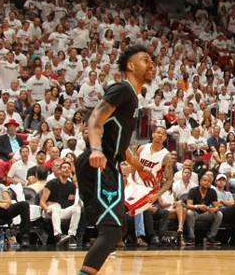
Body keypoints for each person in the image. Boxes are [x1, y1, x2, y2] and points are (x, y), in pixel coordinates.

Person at [76, 45, 156, 275]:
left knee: (117, 228)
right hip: (98, 163)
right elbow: (94, 118)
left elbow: (122, 146)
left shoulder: (132, 98)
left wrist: (140, 168)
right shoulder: (122, 89)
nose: (151, 64)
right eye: (145, 60)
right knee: (111, 231)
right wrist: (95, 149)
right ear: (130, 66)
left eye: (152, 61)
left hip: (109, 164)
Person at [0, 164, 30, 248]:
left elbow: (8, 200)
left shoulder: (0, 186)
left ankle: (24, 237)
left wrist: (1, 202)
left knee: (24, 204)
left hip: (3, 208)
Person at [40, 160, 81, 247]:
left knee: (77, 208)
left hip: (62, 211)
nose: (66, 169)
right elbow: (42, 202)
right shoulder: (51, 183)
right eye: (64, 167)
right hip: (49, 211)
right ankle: (58, 235)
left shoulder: (71, 186)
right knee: (56, 206)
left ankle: (71, 235)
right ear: (59, 170)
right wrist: (47, 209)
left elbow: (76, 198)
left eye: (68, 168)